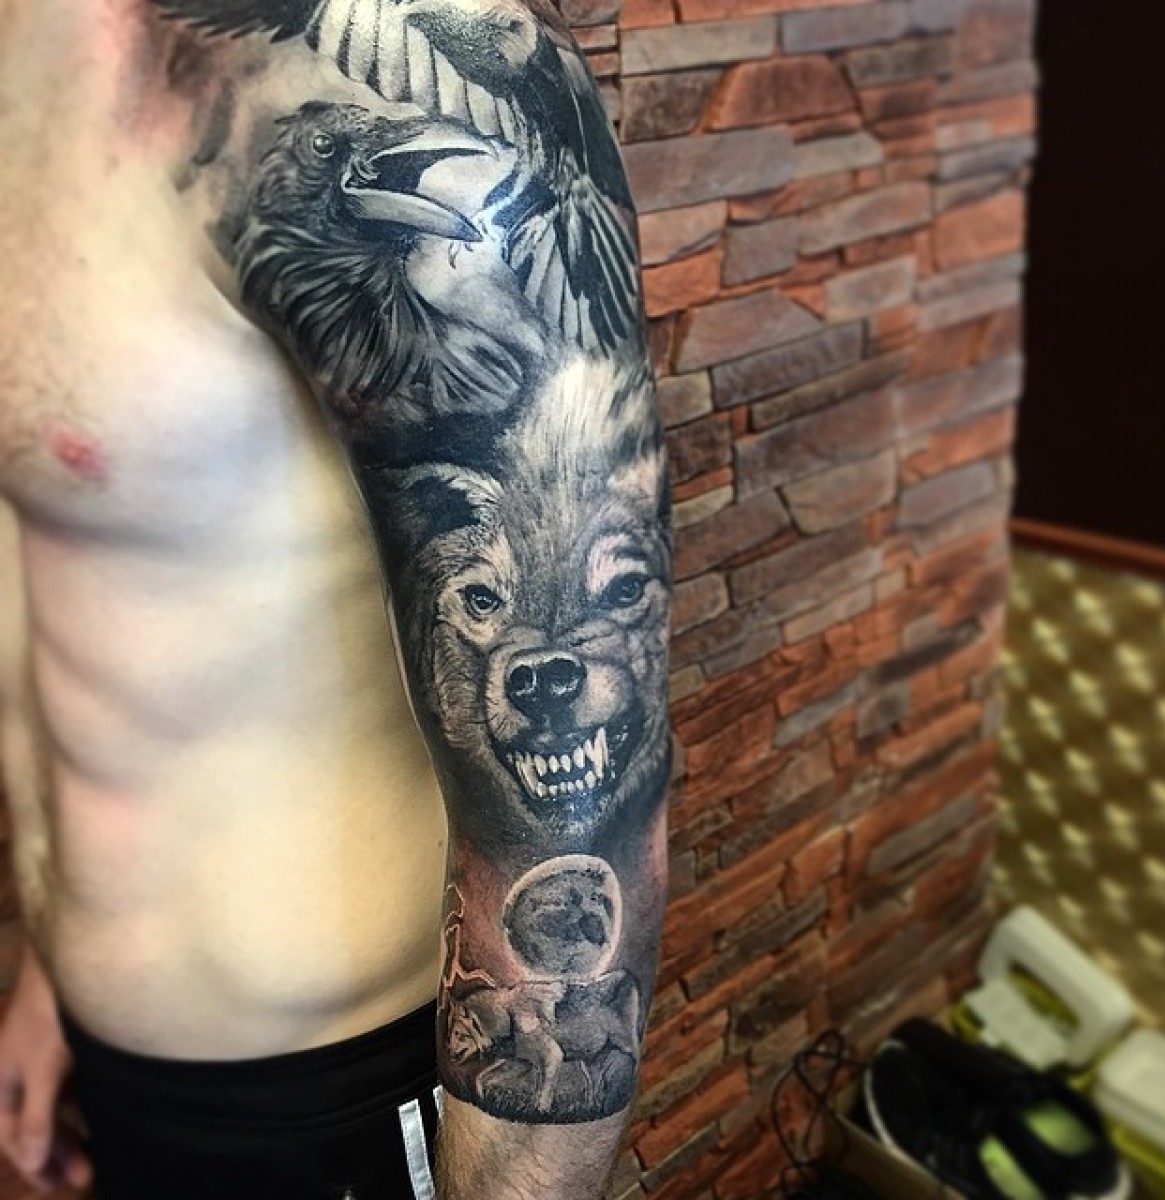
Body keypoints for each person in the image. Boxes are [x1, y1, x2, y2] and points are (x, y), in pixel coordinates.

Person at [0, 1, 671, 1197]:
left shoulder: (387, 60)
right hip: (110, 1063)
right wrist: (52, 963)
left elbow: (574, 821)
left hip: (337, 1100)